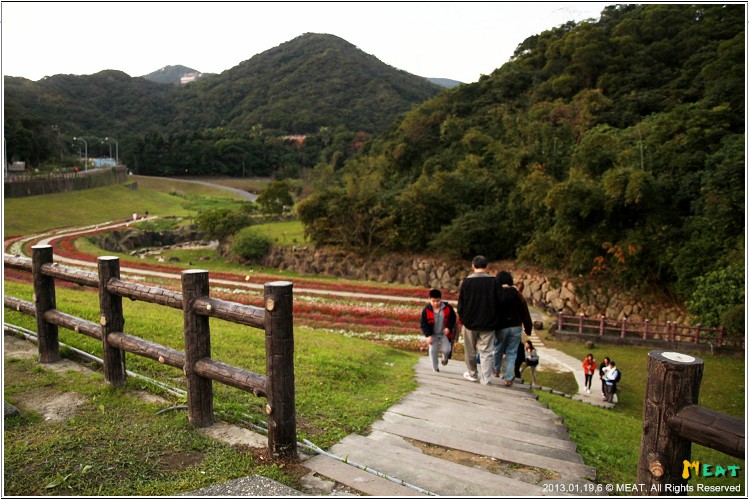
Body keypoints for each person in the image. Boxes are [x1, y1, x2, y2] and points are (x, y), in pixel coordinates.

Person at [457, 255, 499, 385]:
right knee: (486, 352)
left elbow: (461, 304)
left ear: (473, 266)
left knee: (470, 350)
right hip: (489, 322)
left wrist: (463, 318)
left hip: (470, 322)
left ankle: (472, 374)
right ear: (487, 267)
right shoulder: (494, 282)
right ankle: (486, 378)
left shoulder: (467, 282)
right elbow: (499, 302)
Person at [493, 271, 533, 387]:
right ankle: (508, 378)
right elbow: (525, 313)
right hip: (516, 327)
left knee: (498, 348)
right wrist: (528, 328)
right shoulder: (518, 295)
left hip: (501, 327)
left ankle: (496, 370)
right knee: (512, 352)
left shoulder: (497, 294)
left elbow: (493, 311)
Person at [420, 289, 457, 372]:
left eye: (438, 301)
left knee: (447, 350)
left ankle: (444, 357)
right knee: (433, 351)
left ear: (441, 299)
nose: (436, 303)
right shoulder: (426, 310)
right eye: (433, 301)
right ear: (429, 299)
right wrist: (428, 335)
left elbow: (453, 318)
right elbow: (423, 324)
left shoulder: (447, 308)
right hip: (433, 334)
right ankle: (435, 368)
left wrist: (448, 327)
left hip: (444, 334)